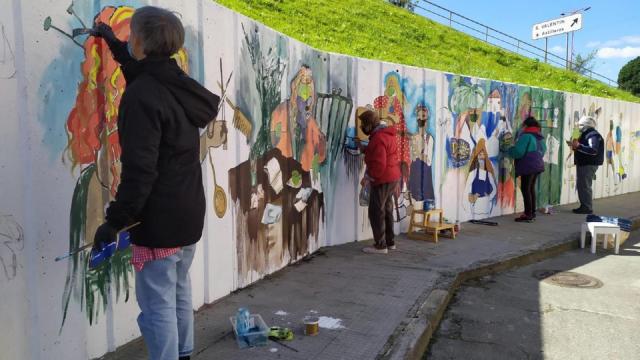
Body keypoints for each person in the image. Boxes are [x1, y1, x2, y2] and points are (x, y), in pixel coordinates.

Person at [90, 7, 220, 360]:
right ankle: (184, 354)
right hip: (188, 214)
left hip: (159, 222)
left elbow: (139, 171)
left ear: (141, 41)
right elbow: (141, 73)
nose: (129, 40)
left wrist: (114, 222)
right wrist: (113, 44)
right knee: (178, 291)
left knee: (157, 306)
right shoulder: (176, 83)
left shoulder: (141, 96)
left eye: (130, 35)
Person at [358, 110, 401, 254]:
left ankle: (380, 245)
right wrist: (365, 149)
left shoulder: (378, 138)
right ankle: (390, 242)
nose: (362, 127)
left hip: (382, 179)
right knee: (387, 209)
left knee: (376, 211)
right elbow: (380, 154)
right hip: (392, 177)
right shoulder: (385, 135)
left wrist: (368, 178)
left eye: (363, 124)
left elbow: (379, 164)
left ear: (370, 124)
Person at [508, 116, 546, 222]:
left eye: (523, 125)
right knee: (530, 188)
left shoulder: (526, 136)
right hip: (537, 165)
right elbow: (543, 150)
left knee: (526, 189)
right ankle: (532, 212)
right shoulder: (539, 137)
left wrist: (509, 149)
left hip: (528, 166)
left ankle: (528, 214)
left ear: (526, 126)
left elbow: (518, 152)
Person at [569, 116, 604, 214]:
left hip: (588, 163)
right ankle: (584, 206)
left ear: (586, 125)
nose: (579, 127)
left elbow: (593, 150)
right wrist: (575, 134)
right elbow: (576, 142)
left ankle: (587, 207)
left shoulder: (593, 135)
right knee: (582, 185)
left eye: (580, 125)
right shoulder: (585, 134)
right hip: (584, 162)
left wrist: (579, 146)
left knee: (584, 185)